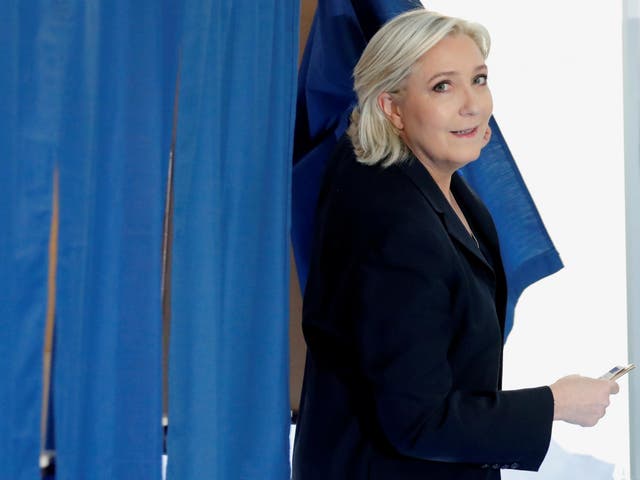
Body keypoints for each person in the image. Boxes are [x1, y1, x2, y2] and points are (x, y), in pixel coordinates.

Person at [291, 8, 619, 480]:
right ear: (392, 108)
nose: (473, 104)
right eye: (442, 86)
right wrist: (555, 404)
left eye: (479, 80)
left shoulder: (436, 185)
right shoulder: (393, 225)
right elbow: (419, 421)